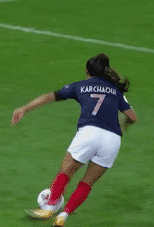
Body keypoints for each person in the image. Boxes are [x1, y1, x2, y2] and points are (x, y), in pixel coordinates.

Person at [11, 53, 137, 226]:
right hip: (113, 139)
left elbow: (49, 96)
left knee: (66, 170)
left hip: (89, 133)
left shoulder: (80, 86)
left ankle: (48, 207)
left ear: (87, 71)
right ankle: (64, 215)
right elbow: (133, 116)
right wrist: (125, 124)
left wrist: (24, 108)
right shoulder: (116, 91)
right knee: (88, 182)